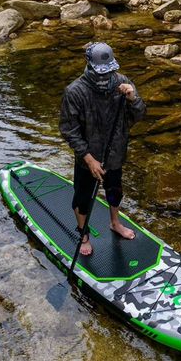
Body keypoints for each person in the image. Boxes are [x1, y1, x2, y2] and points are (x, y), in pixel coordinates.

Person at [59, 42, 146, 256]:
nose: (106, 77)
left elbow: (140, 115)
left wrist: (132, 98)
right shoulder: (74, 91)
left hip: (115, 154)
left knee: (115, 192)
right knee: (82, 198)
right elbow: (69, 130)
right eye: (101, 72)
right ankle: (83, 233)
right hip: (87, 158)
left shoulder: (123, 83)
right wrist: (89, 159)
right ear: (89, 65)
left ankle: (115, 223)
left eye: (110, 72)